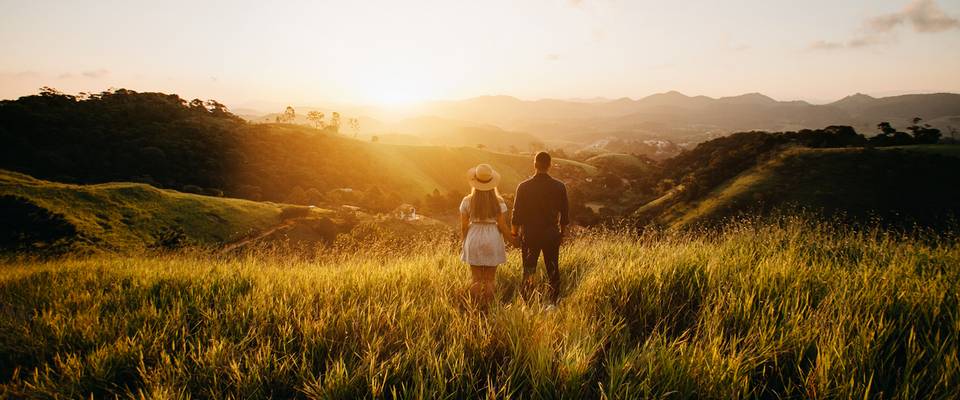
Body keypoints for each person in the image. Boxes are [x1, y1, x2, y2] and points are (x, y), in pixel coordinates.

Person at [511, 151, 569, 305]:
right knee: (553, 269)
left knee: (529, 269)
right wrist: (561, 234)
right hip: (551, 234)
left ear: (534, 164)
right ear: (549, 166)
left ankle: (528, 304)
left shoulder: (523, 187)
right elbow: (565, 213)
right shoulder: (559, 186)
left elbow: (516, 214)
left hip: (530, 234)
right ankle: (553, 302)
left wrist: (514, 234)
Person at [460, 163, 513, 310]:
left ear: (475, 181)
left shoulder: (467, 201)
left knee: (476, 279)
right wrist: (513, 240)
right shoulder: (499, 202)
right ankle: (489, 309)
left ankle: (474, 310)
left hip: (474, 236)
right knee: (490, 279)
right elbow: (502, 226)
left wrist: (464, 241)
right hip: (492, 237)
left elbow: (464, 226)